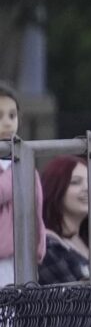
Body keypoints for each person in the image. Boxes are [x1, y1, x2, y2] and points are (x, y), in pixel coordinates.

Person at [36, 156, 91, 283]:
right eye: (76, 182)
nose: (87, 188)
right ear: (55, 188)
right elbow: (76, 300)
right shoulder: (46, 246)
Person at [0, 81, 18, 286]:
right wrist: (17, 173)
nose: (7, 123)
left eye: (12, 116)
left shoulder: (22, 160)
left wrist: (38, 249)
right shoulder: (18, 168)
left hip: (18, 259)